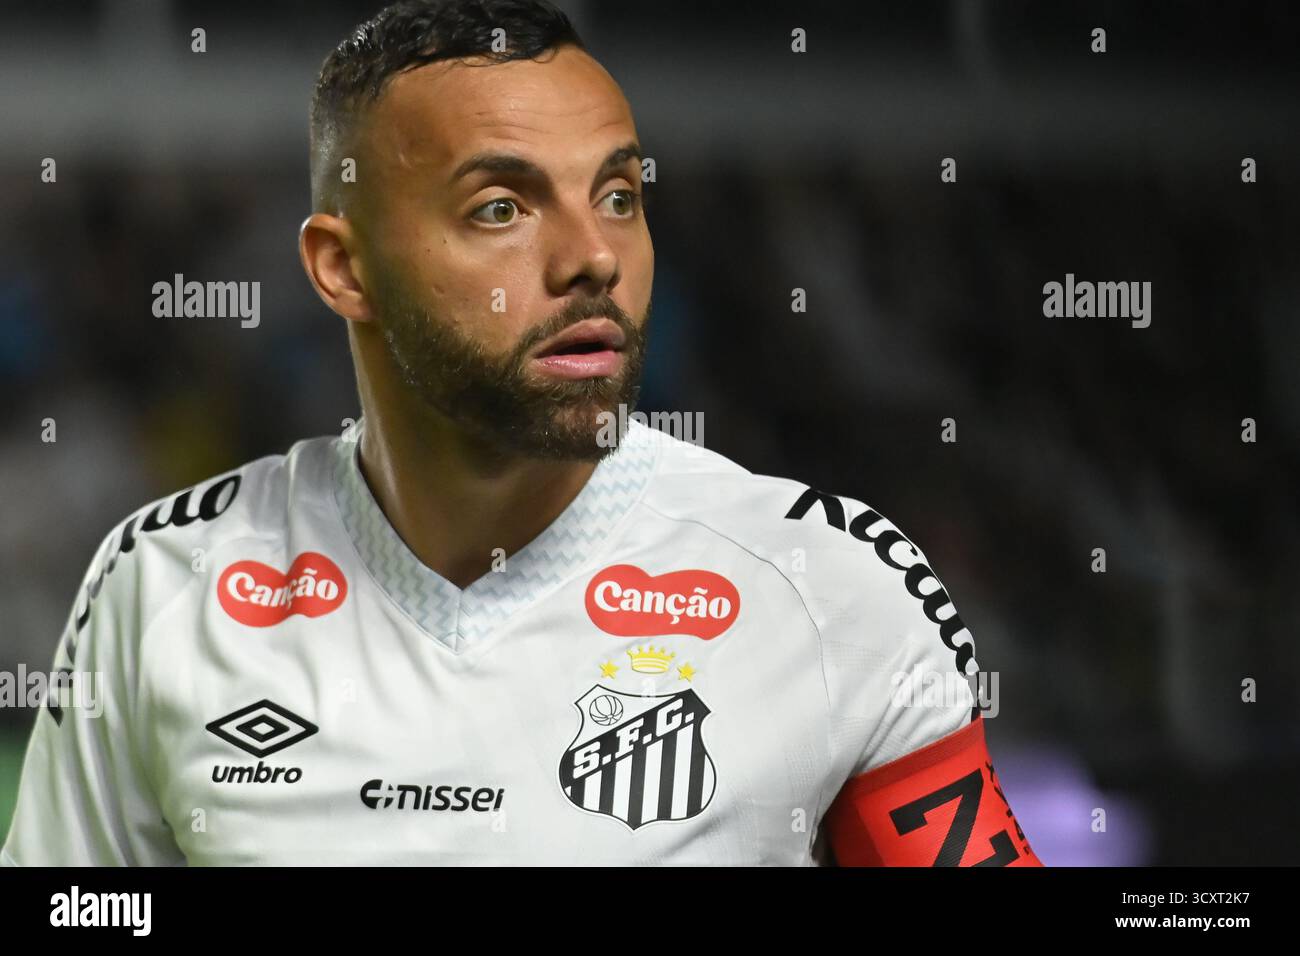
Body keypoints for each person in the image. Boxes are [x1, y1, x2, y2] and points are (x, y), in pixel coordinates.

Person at [2, 0, 1042, 865]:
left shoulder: (829, 588)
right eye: (502, 207)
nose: (592, 255)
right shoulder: (164, 584)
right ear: (344, 266)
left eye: (619, 195)